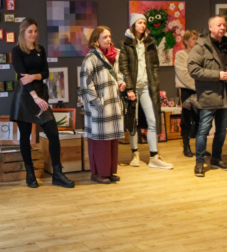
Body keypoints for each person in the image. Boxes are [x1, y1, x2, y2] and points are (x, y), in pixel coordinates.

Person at [10, 18, 74, 189]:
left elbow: (46, 73)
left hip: (40, 93)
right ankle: (30, 173)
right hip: (25, 96)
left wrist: (34, 76)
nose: (34, 34)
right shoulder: (16, 51)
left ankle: (57, 173)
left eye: (35, 31)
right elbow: (22, 77)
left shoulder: (40, 49)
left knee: (53, 132)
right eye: (30, 31)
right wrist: (35, 97)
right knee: (25, 136)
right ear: (23, 32)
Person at [188, 15, 227, 177]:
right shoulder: (201, 46)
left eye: (224, 25)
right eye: (219, 25)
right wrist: (217, 75)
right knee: (203, 130)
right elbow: (193, 70)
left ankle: (216, 159)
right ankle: (199, 162)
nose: (223, 27)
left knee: (221, 131)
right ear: (210, 27)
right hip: (209, 95)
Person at [118, 13, 174, 169]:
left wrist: (155, 82)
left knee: (152, 120)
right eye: (140, 22)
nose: (143, 25)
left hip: (146, 88)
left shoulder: (150, 42)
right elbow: (124, 67)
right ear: (133, 25)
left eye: (144, 23)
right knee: (133, 121)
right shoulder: (125, 43)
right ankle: (135, 153)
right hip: (133, 88)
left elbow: (155, 65)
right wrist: (129, 88)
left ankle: (154, 156)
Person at [80, 26, 126, 184]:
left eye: (109, 36)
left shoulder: (115, 55)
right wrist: (96, 102)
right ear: (96, 40)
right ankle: (98, 173)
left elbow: (118, 74)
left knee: (112, 141)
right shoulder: (91, 58)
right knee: (100, 142)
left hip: (113, 104)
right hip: (99, 106)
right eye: (104, 37)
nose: (108, 39)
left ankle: (109, 171)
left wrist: (121, 82)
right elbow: (86, 82)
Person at [175, 30, 199, 157]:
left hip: (200, 89)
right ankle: (186, 146)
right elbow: (183, 74)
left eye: (196, 38)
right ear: (186, 41)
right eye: (193, 39)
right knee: (187, 118)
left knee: (200, 118)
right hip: (187, 89)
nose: (196, 41)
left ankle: (200, 147)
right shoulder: (181, 54)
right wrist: (197, 85)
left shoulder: (201, 54)